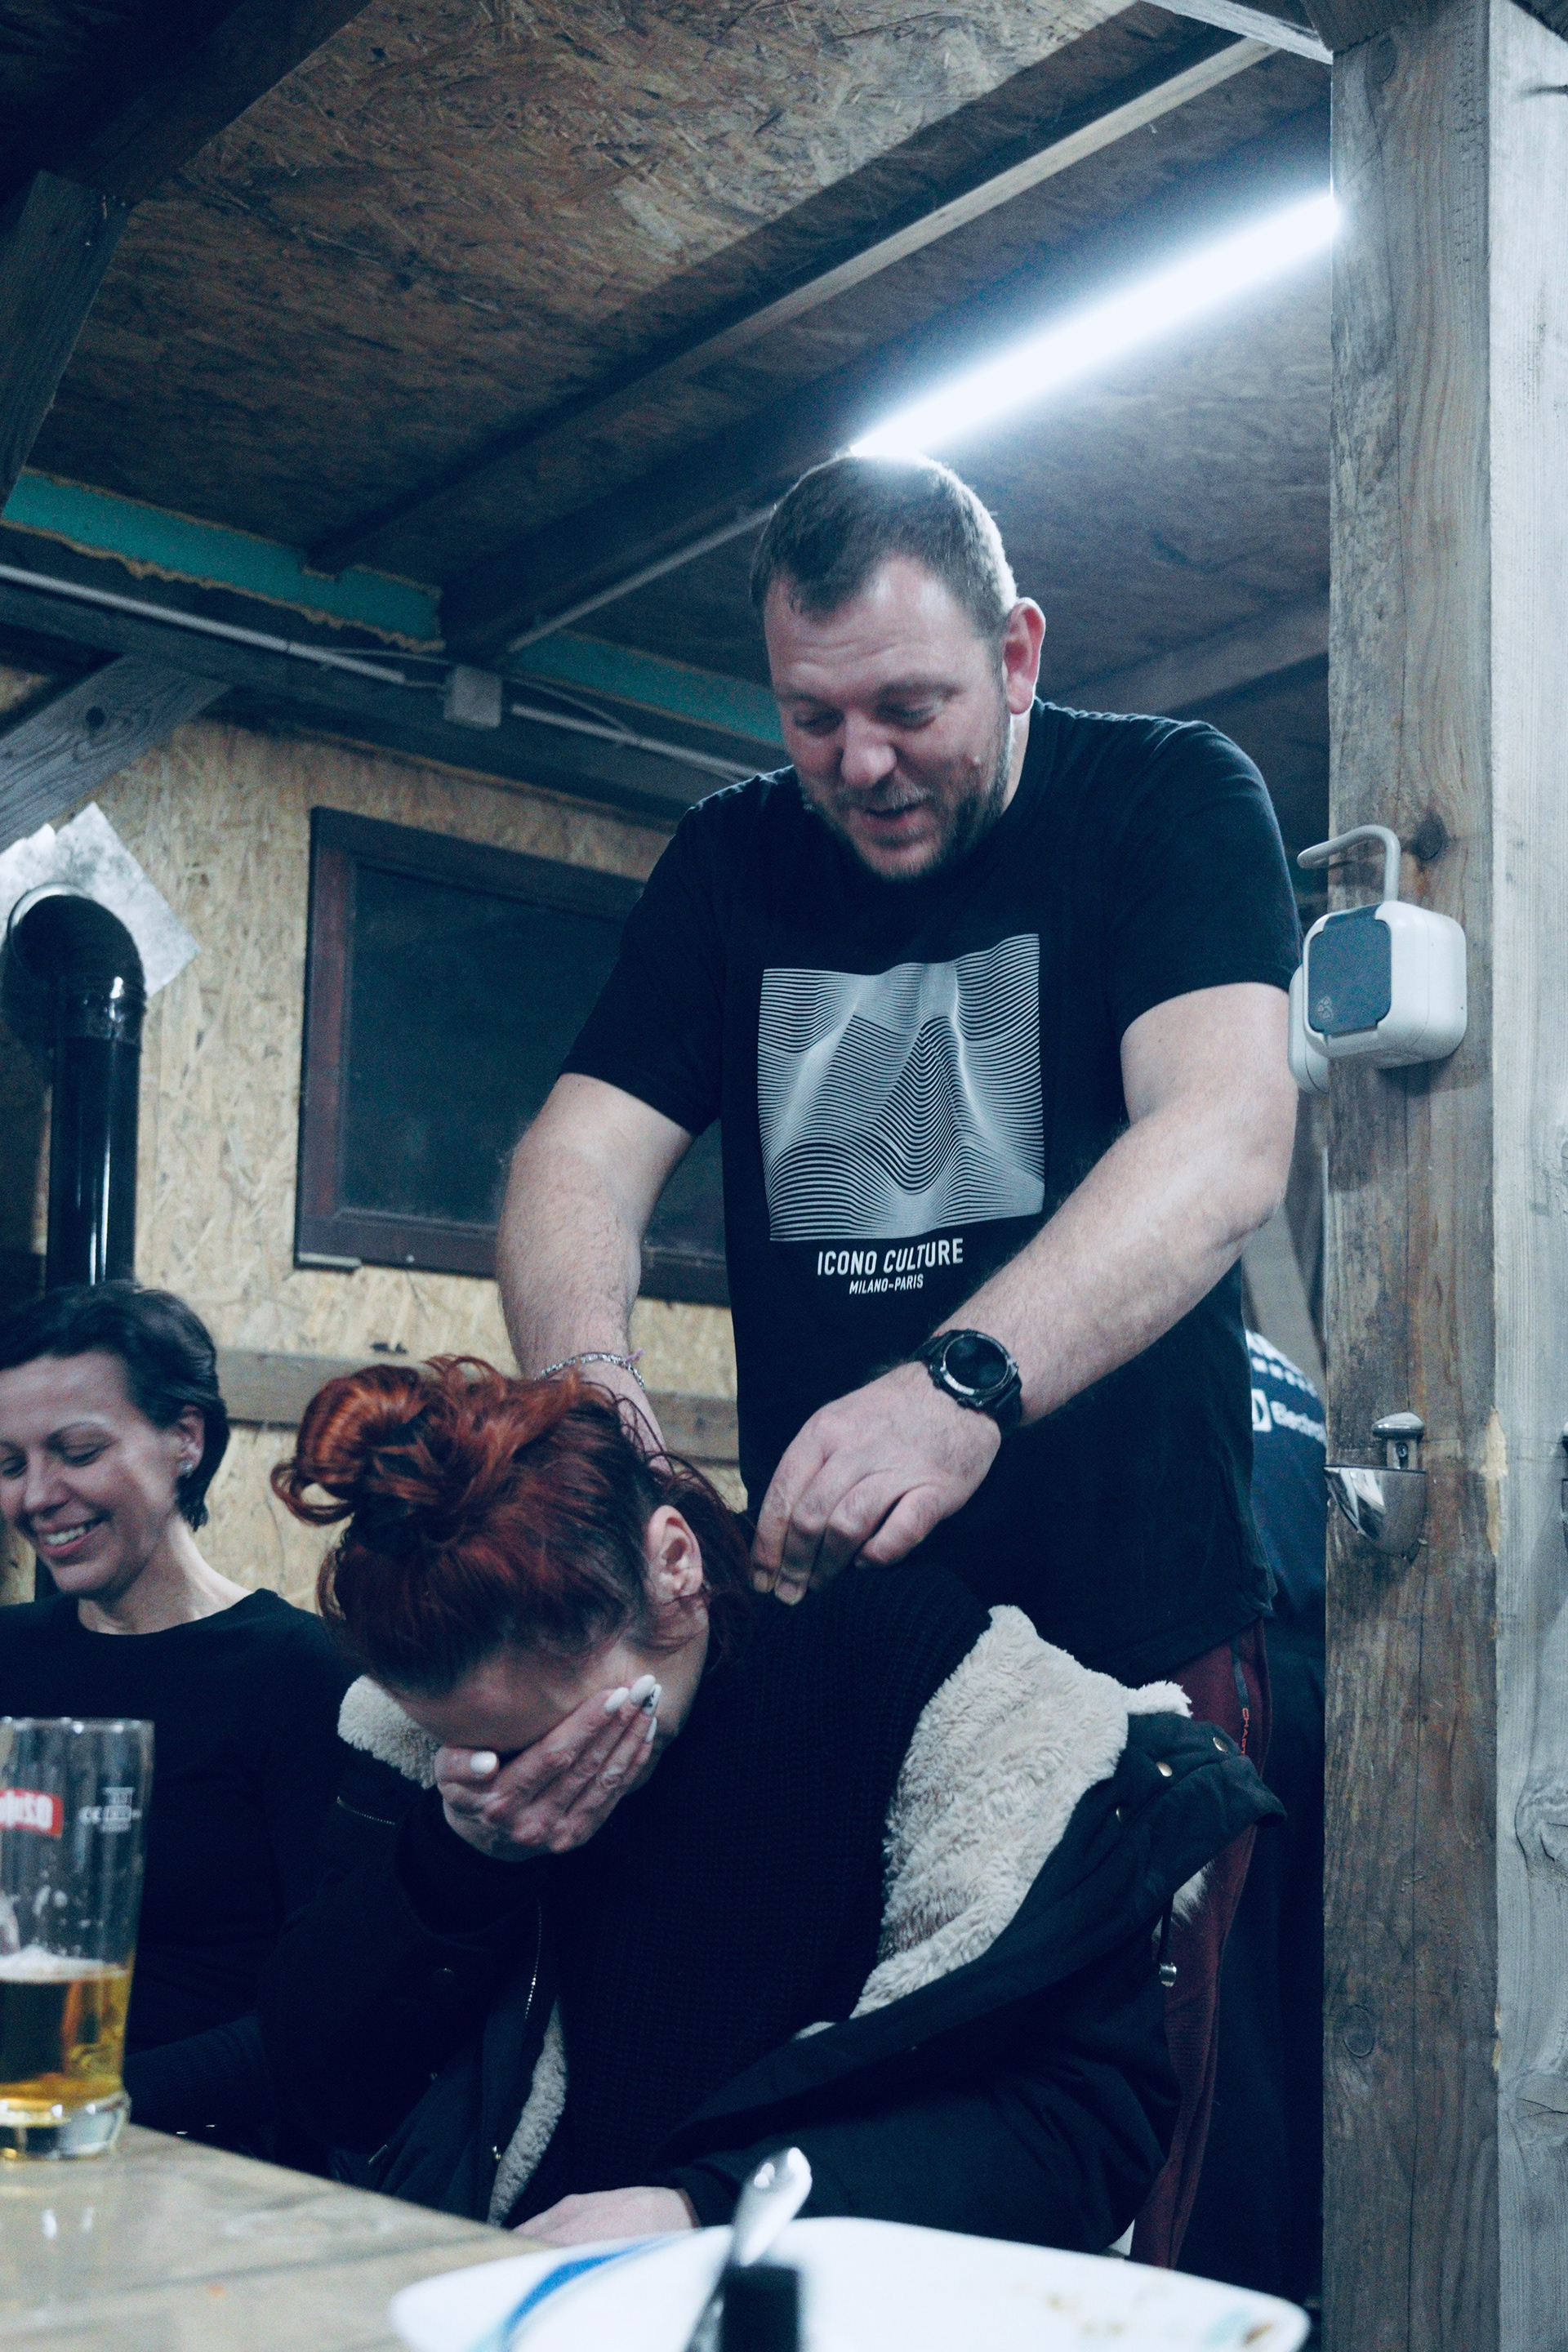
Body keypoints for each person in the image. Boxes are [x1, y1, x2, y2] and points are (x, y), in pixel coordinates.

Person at [495, 456, 1301, 2258]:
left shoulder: (1164, 797)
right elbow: (575, 1155)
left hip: (1129, 1631)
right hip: (847, 1654)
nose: (861, 764)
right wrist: (590, 1390)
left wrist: (962, 1386)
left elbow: (1225, 1136)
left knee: (1095, 2179)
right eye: (814, 718)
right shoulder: (730, 863)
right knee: (854, 2149)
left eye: (910, 709)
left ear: (1016, 655)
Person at [260, 1357, 1279, 2244]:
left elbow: (1080, 2123)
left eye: (557, 1740)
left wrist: (708, 2214)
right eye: (479, 1755)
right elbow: (319, 2085)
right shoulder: (428, 1752)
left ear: (674, 1565)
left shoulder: (915, 1683)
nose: (521, 1781)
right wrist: (455, 1867)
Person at [0, 1283, 352, 2150]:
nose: (37, 1495)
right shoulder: (10, 1651)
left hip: (200, 2156)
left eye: (77, 1451)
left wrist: (94, 2105)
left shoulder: (298, 1672)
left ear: (186, 1439)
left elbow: (329, 2009)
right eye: (9, 1465)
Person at [1181, 1331, 1325, 2308]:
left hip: (1231, 1669)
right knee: (1306, 1996)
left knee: (1222, 2013)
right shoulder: (1293, 1375)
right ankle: (1304, 2277)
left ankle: (1230, 2291)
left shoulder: (1151, 1340)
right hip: (1324, 1670)